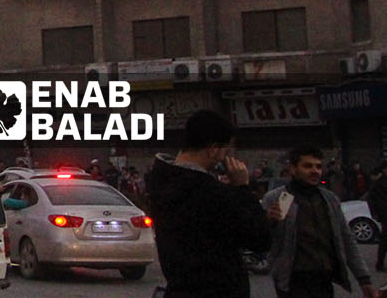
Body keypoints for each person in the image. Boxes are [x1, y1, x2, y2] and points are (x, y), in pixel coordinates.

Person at [146, 108, 270, 298]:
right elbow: (259, 238)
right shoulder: (208, 191)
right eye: (226, 150)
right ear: (213, 149)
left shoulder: (162, 180)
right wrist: (242, 189)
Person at [263, 146, 378, 298]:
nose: (315, 171)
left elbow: (346, 238)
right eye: (307, 166)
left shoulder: (329, 199)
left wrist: (364, 279)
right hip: (292, 280)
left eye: (318, 166)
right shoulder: (276, 198)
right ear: (292, 169)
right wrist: (268, 221)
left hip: (323, 278)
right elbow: (261, 240)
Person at [368, 165, 387, 272]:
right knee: (384, 240)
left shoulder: (379, 183)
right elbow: (371, 200)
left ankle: (380, 264)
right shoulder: (379, 184)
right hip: (384, 214)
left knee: (384, 241)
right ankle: (379, 264)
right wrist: (375, 213)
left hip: (383, 214)